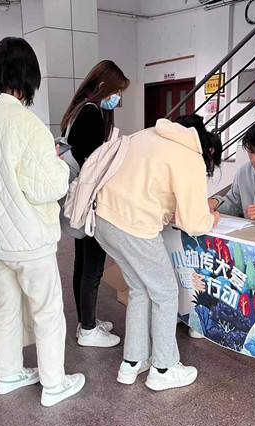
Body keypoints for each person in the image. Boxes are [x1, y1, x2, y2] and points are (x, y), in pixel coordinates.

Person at [0, 37, 85, 406]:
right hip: (29, 239)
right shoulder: (28, 125)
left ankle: (8, 373)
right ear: (30, 78)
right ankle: (54, 383)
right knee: (47, 311)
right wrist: (58, 165)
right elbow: (48, 187)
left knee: (4, 308)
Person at [93, 114, 221, 391]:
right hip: (133, 226)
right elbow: (194, 223)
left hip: (102, 219)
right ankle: (164, 368)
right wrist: (211, 217)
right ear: (209, 150)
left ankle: (133, 362)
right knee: (165, 292)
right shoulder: (190, 155)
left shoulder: (149, 134)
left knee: (140, 289)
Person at [60, 60, 130, 348]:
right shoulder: (91, 114)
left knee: (82, 263)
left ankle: (86, 322)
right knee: (93, 265)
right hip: (91, 202)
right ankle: (88, 329)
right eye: (117, 91)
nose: (118, 98)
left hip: (80, 200)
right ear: (103, 86)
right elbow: (94, 166)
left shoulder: (79, 111)